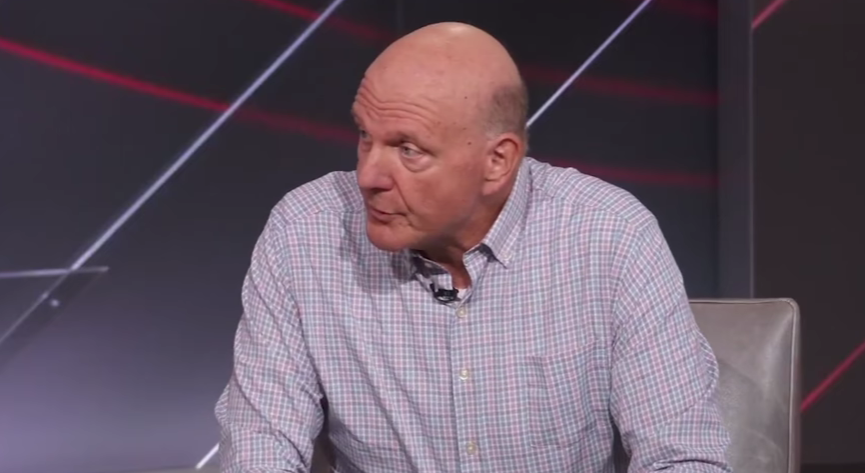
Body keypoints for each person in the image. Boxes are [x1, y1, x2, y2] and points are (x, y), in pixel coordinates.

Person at [215, 22, 732, 473]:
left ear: (497, 162)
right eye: (365, 136)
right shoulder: (305, 235)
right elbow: (260, 450)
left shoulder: (610, 237)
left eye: (408, 150)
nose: (369, 175)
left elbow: (682, 459)